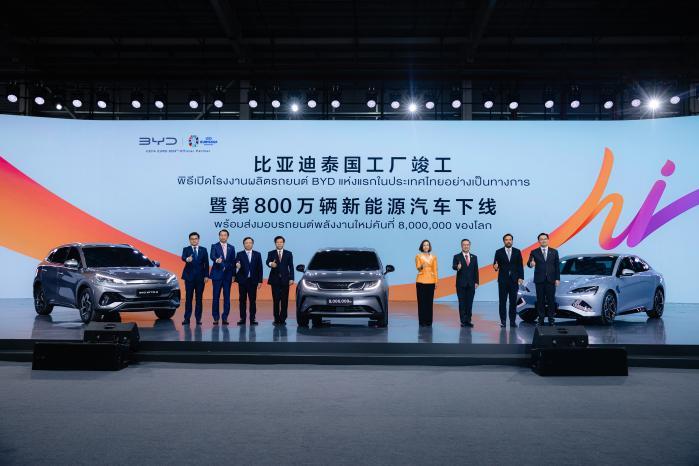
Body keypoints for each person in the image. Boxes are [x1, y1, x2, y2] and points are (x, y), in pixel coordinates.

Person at [527, 232, 560, 326]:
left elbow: (557, 266)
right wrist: (531, 264)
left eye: (545, 239)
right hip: (539, 280)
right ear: (539, 241)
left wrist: (557, 279)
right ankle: (540, 319)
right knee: (540, 300)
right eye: (541, 239)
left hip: (551, 280)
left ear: (548, 240)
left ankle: (551, 319)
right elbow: (529, 263)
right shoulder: (534, 252)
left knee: (551, 300)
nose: (543, 240)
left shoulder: (554, 251)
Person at [493, 233, 524, 327]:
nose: (508, 241)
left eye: (510, 239)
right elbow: (495, 264)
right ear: (504, 241)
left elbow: (520, 265)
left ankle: (512, 321)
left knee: (513, 302)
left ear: (512, 241)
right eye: (506, 240)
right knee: (502, 301)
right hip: (503, 280)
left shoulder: (517, 251)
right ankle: (503, 321)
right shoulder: (498, 252)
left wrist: (521, 277)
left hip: (514, 280)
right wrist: (495, 267)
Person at [180, 232, 209, 325]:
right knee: (188, 299)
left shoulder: (203, 250)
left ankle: (198, 319)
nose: (194, 240)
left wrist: (206, 275)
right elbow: (183, 257)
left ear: (198, 240)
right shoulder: (186, 249)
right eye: (192, 239)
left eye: (195, 239)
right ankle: (187, 318)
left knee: (199, 299)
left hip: (200, 278)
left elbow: (206, 264)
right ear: (189, 240)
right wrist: (187, 259)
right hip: (189, 278)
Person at [266, 235, 295, 325]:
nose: (279, 244)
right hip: (274, 280)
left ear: (283, 243)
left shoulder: (288, 253)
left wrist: (291, 278)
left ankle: (283, 318)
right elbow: (267, 261)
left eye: (281, 242)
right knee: (276, 300)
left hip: (285, 280)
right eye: (277, 242)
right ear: (275, 243)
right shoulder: (271, 253)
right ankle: (276, 318)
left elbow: (291, 266)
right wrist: (271, 264)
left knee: (284, 300)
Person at [235, 236, 263, 325]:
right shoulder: (239, 254)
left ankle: (252, 319)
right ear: (243, 244)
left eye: (250, 243)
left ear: (252, 244)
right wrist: (237, 265)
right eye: (246, 243)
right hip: (243, 281)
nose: (248, 244)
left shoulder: (257, 254)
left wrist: (260, 281)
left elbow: (260, 268)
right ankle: (242, 319)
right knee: (242, 300)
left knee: (252, 301)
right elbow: (236, 263)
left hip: (253, 281)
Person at [210, 229, 236, 325]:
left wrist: (233, 274)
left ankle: (225, 317)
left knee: (227, 297)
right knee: (215, 297)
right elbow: (212, 256)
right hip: (217, 275)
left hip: (228, 276)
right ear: (219, 236)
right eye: (221, 235)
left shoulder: (231, 247)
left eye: (225, 235)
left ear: (227, 236)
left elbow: (233, 261)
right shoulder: (214, 246)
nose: (223, 237)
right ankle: (216, 318)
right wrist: (217, 260)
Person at [452, 239, 479, 327]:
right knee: (462, 303)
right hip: (461, 284)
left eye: (467, 245)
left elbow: (476, 270)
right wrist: (457, 267)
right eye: (464, 245)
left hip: (471, 284)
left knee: (469, 303)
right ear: (461, 246)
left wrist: (477, 282)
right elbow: (453, 266)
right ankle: (463, 321)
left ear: (469, 246)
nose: (466, 246)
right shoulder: (457, 256)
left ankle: (468, 320)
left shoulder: (474, 257)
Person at [415, 239, 438, 327]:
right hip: (421, 281)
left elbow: (435, 270)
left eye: (427, 245)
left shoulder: (434, 257)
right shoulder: (418, 256)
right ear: (422, 246)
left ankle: (429, 321)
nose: (426, 246)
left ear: (429, 247)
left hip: (431, 281)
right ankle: (422, 321)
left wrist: (436, 281)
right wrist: (422, 266)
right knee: (421, 302)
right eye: (424, 245)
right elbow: (418, 268)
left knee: (429, 302)